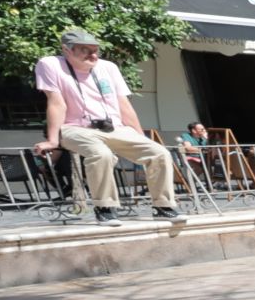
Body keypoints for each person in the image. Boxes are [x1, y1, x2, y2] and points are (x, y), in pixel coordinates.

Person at [32, 27, 180, 224]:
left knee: (159, 153)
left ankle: (163, 206)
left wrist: (139, 136)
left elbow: (123, 105)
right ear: (67, 50)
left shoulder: (108, 67)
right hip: (76, 127)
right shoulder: (50, 64)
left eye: (95, 49)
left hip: (114, 127)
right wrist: (52, 140)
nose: (93, 54)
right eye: (85, 50)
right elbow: (56, 102)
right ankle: (105, 208)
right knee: (101, 154)